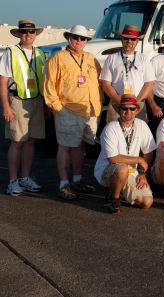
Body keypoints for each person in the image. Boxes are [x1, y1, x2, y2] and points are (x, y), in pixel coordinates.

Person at [44, 24, 102, 200]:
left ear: (86, 41)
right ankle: (63, 184)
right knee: (65, 146)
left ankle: (77, 180)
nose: (78, 41)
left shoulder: (91, 59)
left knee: (80, 146)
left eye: (82, 38)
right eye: (75, 37)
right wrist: (58, 108)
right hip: (67, 110)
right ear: (69, 38)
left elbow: (99, 83)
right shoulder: (58, 58)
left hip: (89, 111)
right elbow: (48, 86)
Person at [0, 19, 46, 196]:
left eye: (31, 32)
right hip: (17, 101)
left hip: (36, 101)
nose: (28, 35)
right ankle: (13, 181)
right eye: (24, 32)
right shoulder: (10, 52)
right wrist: (6, 107)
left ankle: (25, 178)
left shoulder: (40, 53)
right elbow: (2, 82)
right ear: (19, 34)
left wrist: (46, 104)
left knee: (31, 141)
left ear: (35, 34)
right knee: (17, 142)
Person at [93, 94, 155, 214]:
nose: (128, 111)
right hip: (108, 169)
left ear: (136, 110)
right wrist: (138, 160)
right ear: (119, 110)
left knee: (146, 202)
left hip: (131, 172)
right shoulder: (110, 128)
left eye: (132, 108)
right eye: (124, 108)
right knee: (122, 169)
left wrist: (142, 173)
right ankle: (114, 200)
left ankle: (117, 189)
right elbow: (113, 158)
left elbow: (148, 152)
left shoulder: (142, 125)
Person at [99, 24, 152, 123]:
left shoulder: (144, 59)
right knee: (114, 133)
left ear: (137, 41)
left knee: (138, 135)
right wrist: (120, 101)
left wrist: (135, 103)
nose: (129, 41)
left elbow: (149, 84)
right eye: (126, 38)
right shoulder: (112, 58)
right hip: (116, 105)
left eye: (133, 39)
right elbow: (106, 84)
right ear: (122, 39)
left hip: (138, 105)